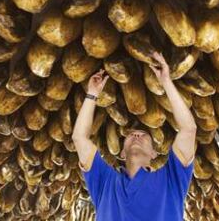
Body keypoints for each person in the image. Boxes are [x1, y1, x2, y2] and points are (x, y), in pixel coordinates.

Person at [72, 51, 197, 221]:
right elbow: (80, 138)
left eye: (144, 135)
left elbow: (189, 129)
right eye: (132, 135)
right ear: (122, 153)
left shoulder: (171, 179)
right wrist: (91, 94)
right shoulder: (105, 182)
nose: (137, 134)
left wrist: (166, 82)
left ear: (154, 153)